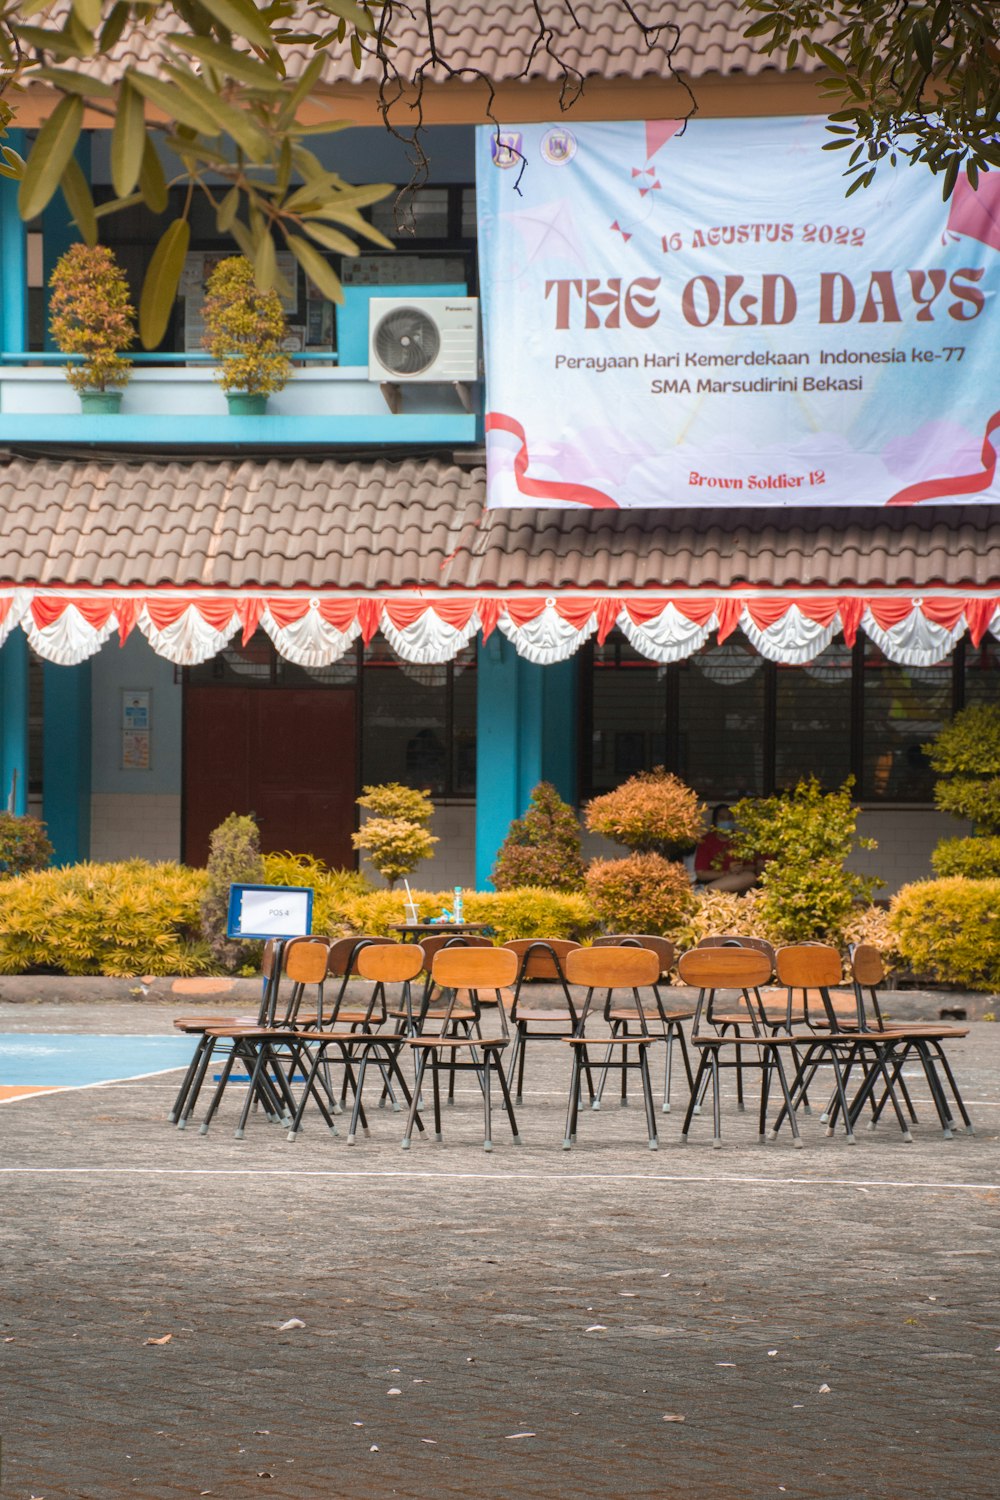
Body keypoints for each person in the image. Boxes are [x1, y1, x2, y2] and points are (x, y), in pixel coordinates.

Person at [694, 803, 758, 892]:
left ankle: (703, 892)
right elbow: (701, 874)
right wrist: (727, 873)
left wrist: (741, 869)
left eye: (729, 818)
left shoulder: (741, 839)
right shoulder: (706, 841)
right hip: (713, 882)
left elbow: (752, 866)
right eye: (722, 818)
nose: (726, 821)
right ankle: (703, 891)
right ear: (715, 821)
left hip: (738, 880)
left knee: (750, 877)